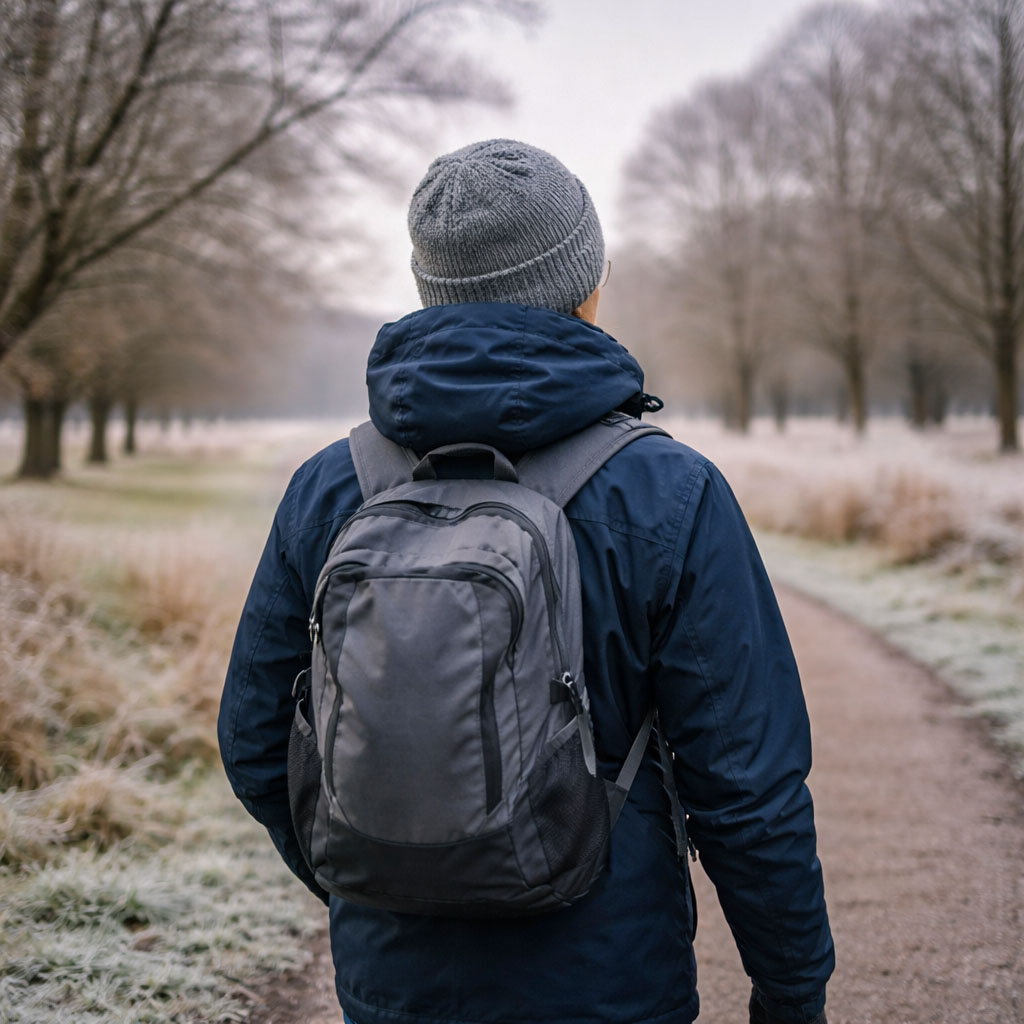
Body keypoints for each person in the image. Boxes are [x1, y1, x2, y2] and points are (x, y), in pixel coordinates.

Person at [219, 139, 834, 1024]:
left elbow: (253, 738)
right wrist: (791, 990)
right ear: (587, 283)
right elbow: (748, 786)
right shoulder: (669, 491)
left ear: (431, 289)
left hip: (393, 984)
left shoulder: (332, 487)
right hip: (610, 983)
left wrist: (377, 872)